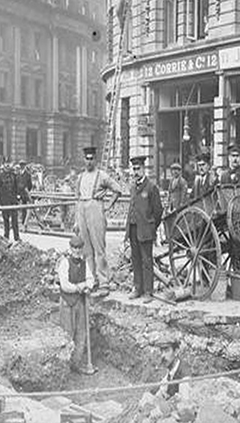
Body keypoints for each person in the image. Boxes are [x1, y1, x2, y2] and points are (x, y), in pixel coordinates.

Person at [74, 146, 122, 293]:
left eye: (91, 159)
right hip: (82, 208)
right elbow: (77, 198)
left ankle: (103, 282)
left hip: (96, 208)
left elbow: (117, 189)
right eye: (86, 159)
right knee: (86, 249)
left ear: (95, 160)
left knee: (99, 248)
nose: (89, 162)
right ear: (84, 160)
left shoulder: (102, 176)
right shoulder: (80, 177)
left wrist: (108, 205)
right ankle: (91, 280)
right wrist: (77, 220)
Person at [55, 234, 95, 372]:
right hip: (67, 302)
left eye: (79, 248)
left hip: (81, 303)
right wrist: (79, 287)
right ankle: (64, 366)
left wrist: (87, 286)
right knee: (68, 333)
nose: (77, 250)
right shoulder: (64, 263)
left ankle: (76, 364)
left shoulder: (85, 264)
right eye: (75, 248)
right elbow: (65, 285)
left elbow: (90, 280)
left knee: (81, 334)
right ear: (70, 248)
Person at [126, 155, 163, 302]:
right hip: (134, 229)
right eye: (134, 169)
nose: (136, 172)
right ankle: (138, 288)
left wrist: (152, 226)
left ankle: (148, 291)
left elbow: (158, 211)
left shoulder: (151, 187)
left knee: (147, 261)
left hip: (145, 230)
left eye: (138, 169)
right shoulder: (133, 187)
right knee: (135, 259)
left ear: (143, 169)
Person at [154, 333, 189, 400]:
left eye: (167, 351)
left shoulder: (184, 373)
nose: (163, 355)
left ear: (176, 352)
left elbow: (185, 403)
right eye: (161, 351)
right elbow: (160, 392)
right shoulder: (170, 372)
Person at [0, 160, 20, 241]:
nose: (7, 166)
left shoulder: (14, 176)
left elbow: (16, 188)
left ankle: (16, 237)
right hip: (4, 202)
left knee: (15, 220)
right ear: (3, 166)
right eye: (6, 164)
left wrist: (17, 198)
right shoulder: (0, 176)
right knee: (6, 220)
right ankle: (6, 237)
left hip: (13, 201)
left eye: (8, 164)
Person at [16, 159, 33, 226]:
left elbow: (30, 185)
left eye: (23, 165)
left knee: (24, 208)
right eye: (21, 165)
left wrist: (26, 190)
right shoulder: (18, 174)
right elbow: (16, 183)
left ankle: (24, 222)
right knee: (16, 208)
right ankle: (17, 221)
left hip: (25, 193)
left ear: (25, 166)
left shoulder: (28, 175)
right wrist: (17, 192)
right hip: (18, 193)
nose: (22, 166)